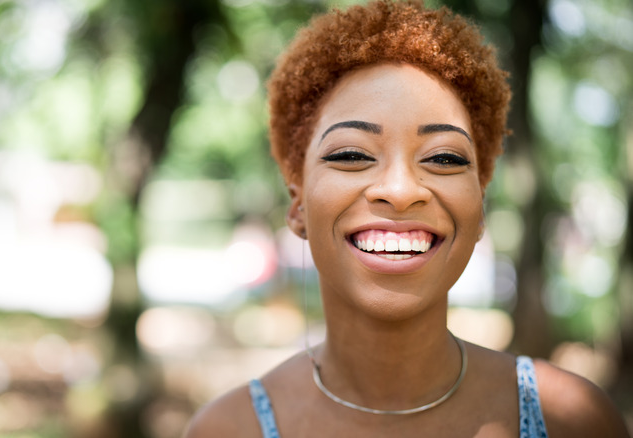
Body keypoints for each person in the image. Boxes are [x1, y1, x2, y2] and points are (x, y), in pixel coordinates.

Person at [184, 1, 631, 436]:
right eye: (352, 154)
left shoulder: (571, 419)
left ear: (480, 209)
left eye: (443, 158)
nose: (400, 192)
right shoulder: (227, 429)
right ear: (299, 207)